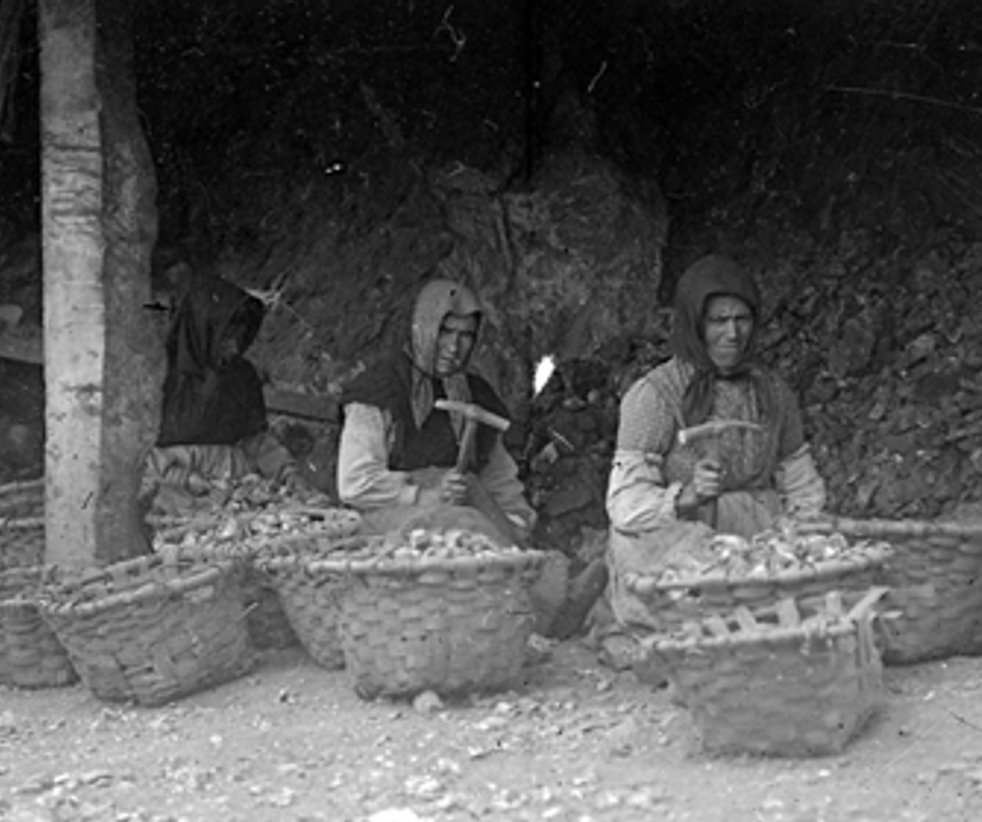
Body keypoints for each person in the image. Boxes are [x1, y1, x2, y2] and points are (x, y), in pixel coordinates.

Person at [337, 278, 604, 637]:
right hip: (390, 523)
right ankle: (546, 611)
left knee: (478, 523)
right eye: (445, 332)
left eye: (466, 336)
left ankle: (548, 600)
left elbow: (498, 476)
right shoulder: (379, 390)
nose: (454, 347)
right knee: (469, 530)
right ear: (422, 327)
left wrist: (514, 521)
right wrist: (426, 492)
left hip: (459, 516)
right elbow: (355, 482)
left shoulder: (474, 394)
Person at [604, 254, 827, 634]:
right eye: (718, 321)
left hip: (756, 530)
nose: (733, 334)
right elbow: (624, 503)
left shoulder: (773, 393)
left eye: (742, 320)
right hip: (679, 538)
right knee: (686, 599)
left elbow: (799, 481)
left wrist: (803, 534)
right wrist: (685, 496)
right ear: (694, 324)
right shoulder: (654, 396)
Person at [143, 269, 315, 517]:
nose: (234, 347)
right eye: (225, 337)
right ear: (201, 330)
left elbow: (257, 442)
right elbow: (139, 458)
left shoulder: (241, 375)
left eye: (239, 336)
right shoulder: (158, 375)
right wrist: (185, 478)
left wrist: (289, 475)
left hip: (235, 489)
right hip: (171, 489)